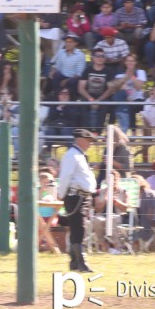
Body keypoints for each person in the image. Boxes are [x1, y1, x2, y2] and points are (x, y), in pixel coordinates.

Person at [56, 129, 98, 273]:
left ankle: (75, 261)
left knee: (78, 228)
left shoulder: (77, 155)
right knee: (79, 228)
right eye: (88, 141)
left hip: (81, 196)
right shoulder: (72, 155)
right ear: (80, 139)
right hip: (76, 197)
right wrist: (61, 194)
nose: (89, 145)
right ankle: (80, 262)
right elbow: (65, 177)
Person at [77, 48, 116, 131]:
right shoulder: (87, 70)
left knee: (105, 105)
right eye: (97, 56)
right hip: (88, 96)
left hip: (103, 97)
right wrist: (91, 99)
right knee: (82, 104)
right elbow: (81, 88)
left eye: (102, 56)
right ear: (92, 58)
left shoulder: (109, 71)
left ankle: (98, 132)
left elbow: (111, 88)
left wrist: (99, 100)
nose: (100, 58)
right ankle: (86, 131)